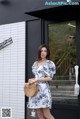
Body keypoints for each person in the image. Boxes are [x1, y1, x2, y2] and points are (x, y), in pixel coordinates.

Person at [27, 44, 56, 119]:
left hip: (44, 90)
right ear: (39, 52)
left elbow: (50, 78)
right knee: (39, 114)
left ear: (47, 53)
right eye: (41, 51)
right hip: (35, 90)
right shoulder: (35, 63)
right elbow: (36, 76)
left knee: (47, 114)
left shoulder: (50, 63)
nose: (43, 53)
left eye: (45, 51)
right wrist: (32, 80)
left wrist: (37, 79)